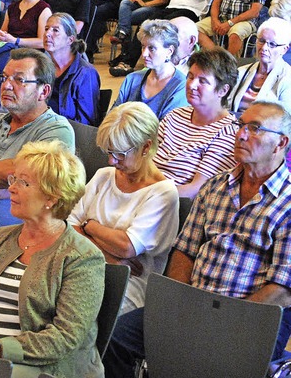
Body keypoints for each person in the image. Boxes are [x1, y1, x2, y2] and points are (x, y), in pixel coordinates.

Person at [104, 101, 291, 376]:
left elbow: (282, 288)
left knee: (210, 362)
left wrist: (222, 318)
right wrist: (184, 302)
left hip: (251, 316)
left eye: (255, 129)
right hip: (194, 302)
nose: (240, 134)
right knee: (117, 338)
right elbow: (185, 251)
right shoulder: (216, 186)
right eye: (241, 126)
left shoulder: (287, 203)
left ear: (280, 143)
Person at [0, 140, 105, 378]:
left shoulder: (81, 257)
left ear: (52, 198)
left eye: (24, 182)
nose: (11, 189)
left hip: (36, 368)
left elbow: (65, 336)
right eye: (13, 179)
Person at [69, 102, 179, 313]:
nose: (111, 161)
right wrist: (111, 258)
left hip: (127, 285)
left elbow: (127, 247)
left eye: (120, 154)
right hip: (84, 266)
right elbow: (68, 228)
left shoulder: (163, 193)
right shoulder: (104, 176)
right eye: (108, 152)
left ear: (146, 147)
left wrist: (89, 226)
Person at [0, 49, 75, 226]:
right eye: (4, 77)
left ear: (44, 91)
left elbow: (23, 177)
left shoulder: (56, 130)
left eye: (19, 80)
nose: (6, 85)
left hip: (12, 233)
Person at [154, 46, 238, 198]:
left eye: (203, 81)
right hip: (145, 189)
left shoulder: (228, 132)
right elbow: (145, 160)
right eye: (191, 77)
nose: (192, 85)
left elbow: (197, 190)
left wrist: (147, 195)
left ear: (223, 90)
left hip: (172, 204)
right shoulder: (175, 115)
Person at [112, 19, 187, 120]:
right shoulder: (131, 79)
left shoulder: (181, 86)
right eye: (143, 47)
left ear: (169, 51)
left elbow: (167, 129)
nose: (144, 54)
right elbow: (113, 117)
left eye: (152, 48)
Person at [44, 13, 100, 125]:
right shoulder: (43, 67)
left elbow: (86, 123)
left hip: (67, 135)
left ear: (70, 40)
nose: (47, 34)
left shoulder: (86, 73)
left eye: (55, 30)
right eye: (46, 29)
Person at [228, 17, 291, 115]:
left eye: (272, 44)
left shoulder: (287, 78)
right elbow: (227, 105)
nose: (264, 47)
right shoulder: (241, 71)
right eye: (261, 41)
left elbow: (286, 119)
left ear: (284, 49)